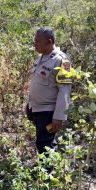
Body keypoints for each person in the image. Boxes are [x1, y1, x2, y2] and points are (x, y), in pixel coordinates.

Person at [27, 26, 72, 154]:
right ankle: (47, 171)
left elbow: (65, 90)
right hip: (37, 109)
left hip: (49, 112)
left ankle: (48, 172)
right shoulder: (41, 58)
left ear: (50, 41)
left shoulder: (62, 60)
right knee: (44, 143)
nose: (35, 44)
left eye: (38, 41)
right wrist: (29, 104)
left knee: (44, 144)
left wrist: (59, 116)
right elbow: (37, 83)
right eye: (35, 41)